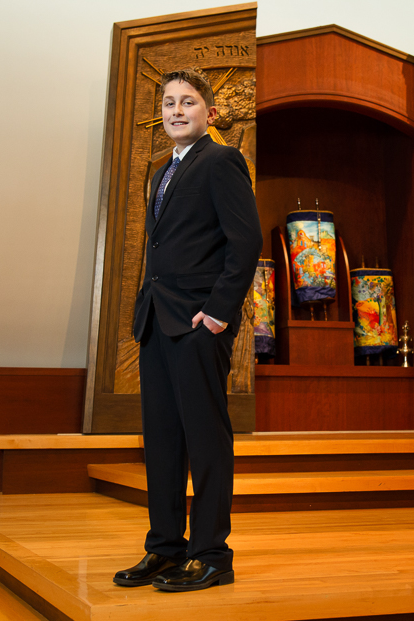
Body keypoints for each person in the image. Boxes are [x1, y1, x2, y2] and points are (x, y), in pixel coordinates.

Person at [112, 69, 263, 592]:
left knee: (205, 439)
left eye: (189, 102)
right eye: (169, 102)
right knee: (163, 441)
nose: (176, 111)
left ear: (209, 114)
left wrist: (218, 314)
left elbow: (245, 243)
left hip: (200, 323)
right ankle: (165, 549)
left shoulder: (222, 161)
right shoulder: (161, 170)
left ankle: (212, 555)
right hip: (157, 319)